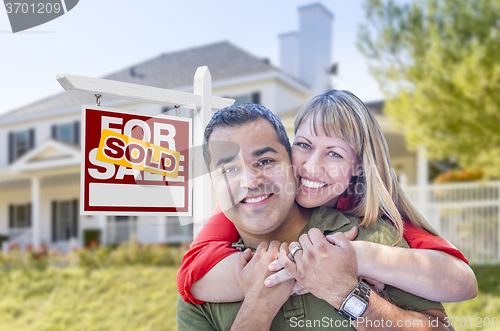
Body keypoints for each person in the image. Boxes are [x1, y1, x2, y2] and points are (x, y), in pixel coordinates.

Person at [177, 90, 477, 305]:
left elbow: (462, 282)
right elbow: (192, 273)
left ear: (359, 166)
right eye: (305, 145)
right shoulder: (261, 197)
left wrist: (358, 256)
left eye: (334, 153)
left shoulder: (376, 215)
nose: (311, 166)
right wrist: (305, 267)